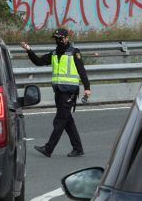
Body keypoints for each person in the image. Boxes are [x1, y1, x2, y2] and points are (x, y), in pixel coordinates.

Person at [22, 28, 91, 158]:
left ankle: (49, 148)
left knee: (59, 120)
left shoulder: (74, 53)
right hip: (59, 91)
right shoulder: (54, 53)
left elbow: (82, 70)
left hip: (69, 91)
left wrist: (87, 88)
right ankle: (78, 148)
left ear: (66, 38)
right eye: (56, 38)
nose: (58, 41)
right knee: (67, 120)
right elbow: (39, 62)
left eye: (60, 38)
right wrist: (29, 50)